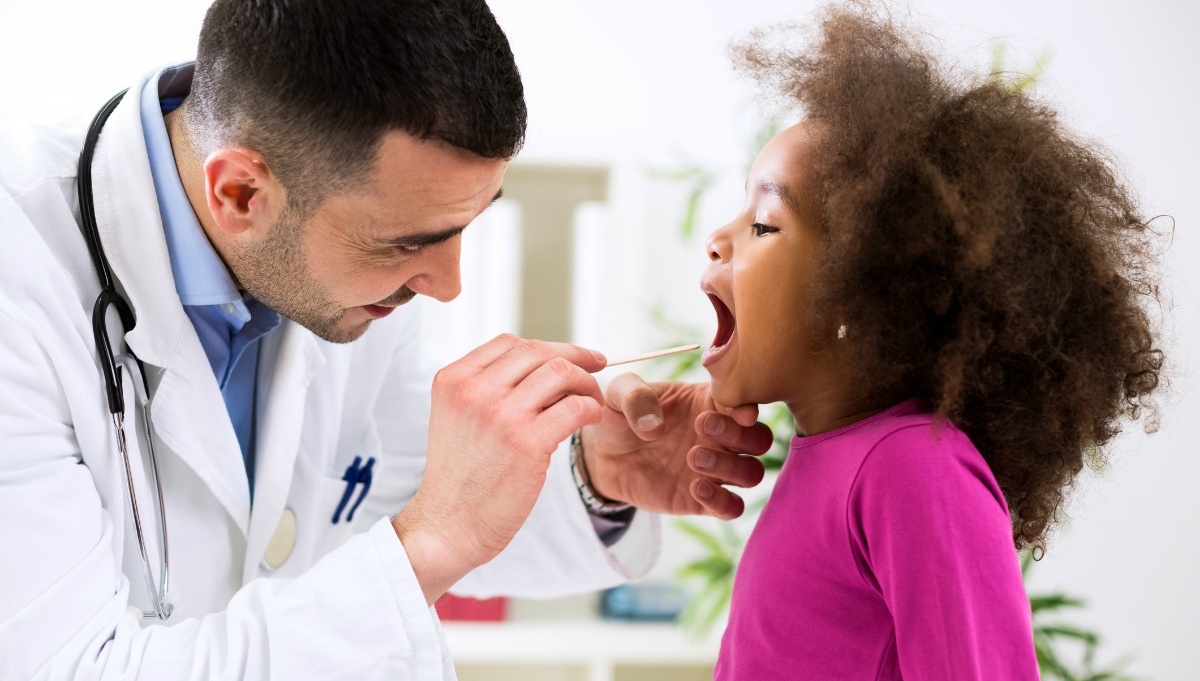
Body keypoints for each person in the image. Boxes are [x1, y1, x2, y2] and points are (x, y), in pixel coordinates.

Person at [0, 0, 774, 678]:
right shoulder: (20, 281)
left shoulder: (343, 272)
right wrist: (429, 542)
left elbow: (397, 497)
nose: (448, 283)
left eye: (467, 226)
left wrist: (591, 472)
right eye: (408, 243)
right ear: (240, 192)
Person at [699, 4, 1166, 679]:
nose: (718, 238)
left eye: (764, 224)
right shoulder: (834, 457)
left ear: (859, 289)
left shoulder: (913, 468)